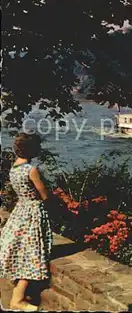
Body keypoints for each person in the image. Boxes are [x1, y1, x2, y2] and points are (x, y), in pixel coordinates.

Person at [0, 133, 53, 311]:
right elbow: (44, 194)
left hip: (20, 210)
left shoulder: (14, 168)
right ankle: (18, 299)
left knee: (23, 250)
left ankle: (19, 296)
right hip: (32, 211)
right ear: (33, 150)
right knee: (32, 254)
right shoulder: (31, 170)